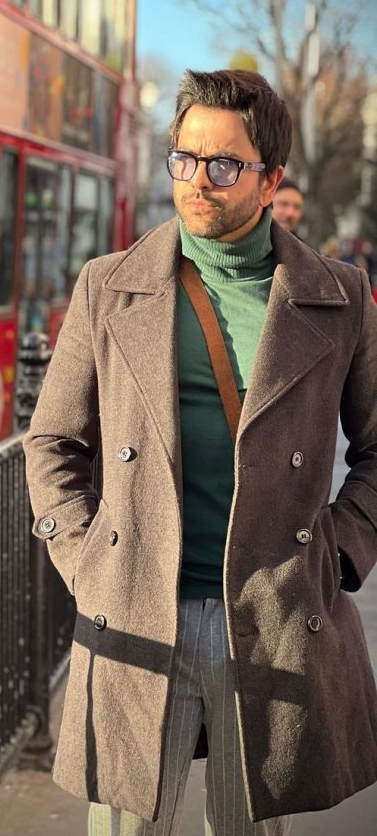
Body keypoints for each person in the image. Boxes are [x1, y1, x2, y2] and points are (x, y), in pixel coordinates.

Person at [24, 69, 377, 835]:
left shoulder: (338, 297)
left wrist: (340, 553)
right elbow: (52, 441)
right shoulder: (107, 287)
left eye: (222, 165)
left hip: (272, 615)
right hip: (135, 613)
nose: (196, 182)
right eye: (183, 159)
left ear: (269, 177)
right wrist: (88, 561)